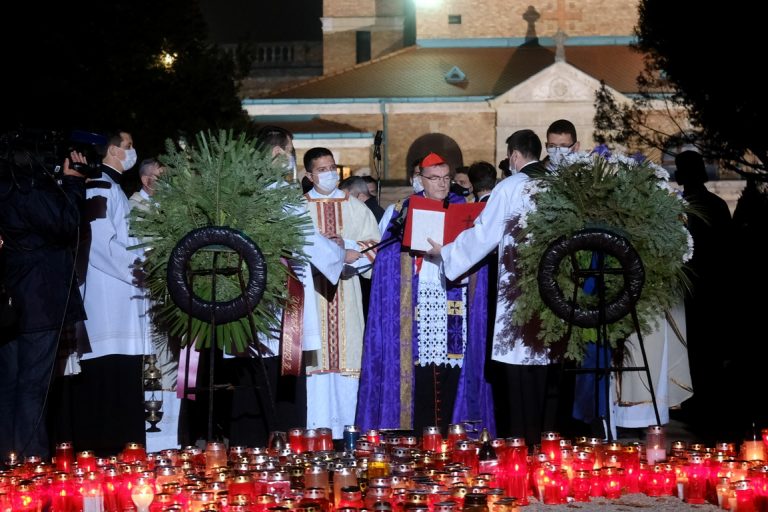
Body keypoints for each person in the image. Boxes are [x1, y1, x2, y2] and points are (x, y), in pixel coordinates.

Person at [432, 130, 559, 445]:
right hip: (555, 290)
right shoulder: (558, 185)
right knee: (548, 366)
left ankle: (521, 444)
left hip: (519, 289)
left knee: (519, 366)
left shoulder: (512, 186)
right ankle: (551, 443)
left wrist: (446, 253)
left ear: (515, 156)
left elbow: (484, 234)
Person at [357, 152, 495, 435]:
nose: (443, 184)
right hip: (418, 302)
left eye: (446, 178)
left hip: (453, 298)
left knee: (453, 369)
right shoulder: (403, 210)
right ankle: (419, 437)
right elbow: (388, 260)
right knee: (420, 373)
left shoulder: (463, 208)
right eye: (435, 179)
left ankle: (452, 433)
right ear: (420, 180)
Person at [0, 145, 87, 460]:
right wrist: (74, 184)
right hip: (38, 299)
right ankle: (31, 461)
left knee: (10, 385)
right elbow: (66, 223)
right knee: (31, 387)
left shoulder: (6, 188)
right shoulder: (28, 191)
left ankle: (8, 460)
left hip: (9, 301)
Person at [69, 130, 151, 456]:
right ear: (114, 150)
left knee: (122, 383)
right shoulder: (100, 185)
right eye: (129, 146)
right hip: (107, 309)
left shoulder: (113, 185)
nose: (132, 151)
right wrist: (139, 271)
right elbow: (100, 242)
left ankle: (124, 454)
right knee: (107, 385)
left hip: (121, 305)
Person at [303, 147, 381, 438]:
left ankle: (348, 430)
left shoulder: (355, 207)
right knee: (317, 362)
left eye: (332, 167)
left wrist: (348, 248)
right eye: (322, 170)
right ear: (310, 175)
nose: (329, 173)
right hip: (313, 297)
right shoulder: (300, 208)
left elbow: (375, 244)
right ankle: (316, 432)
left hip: (347, 293)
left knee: (348, 360)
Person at [673, 150, 732, 432]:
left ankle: (699, 404)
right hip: (713, 287)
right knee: (707, 348)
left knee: (697, 349)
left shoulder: (683, 206)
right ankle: (706, 403)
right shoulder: (716, 204)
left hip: (695, 288)